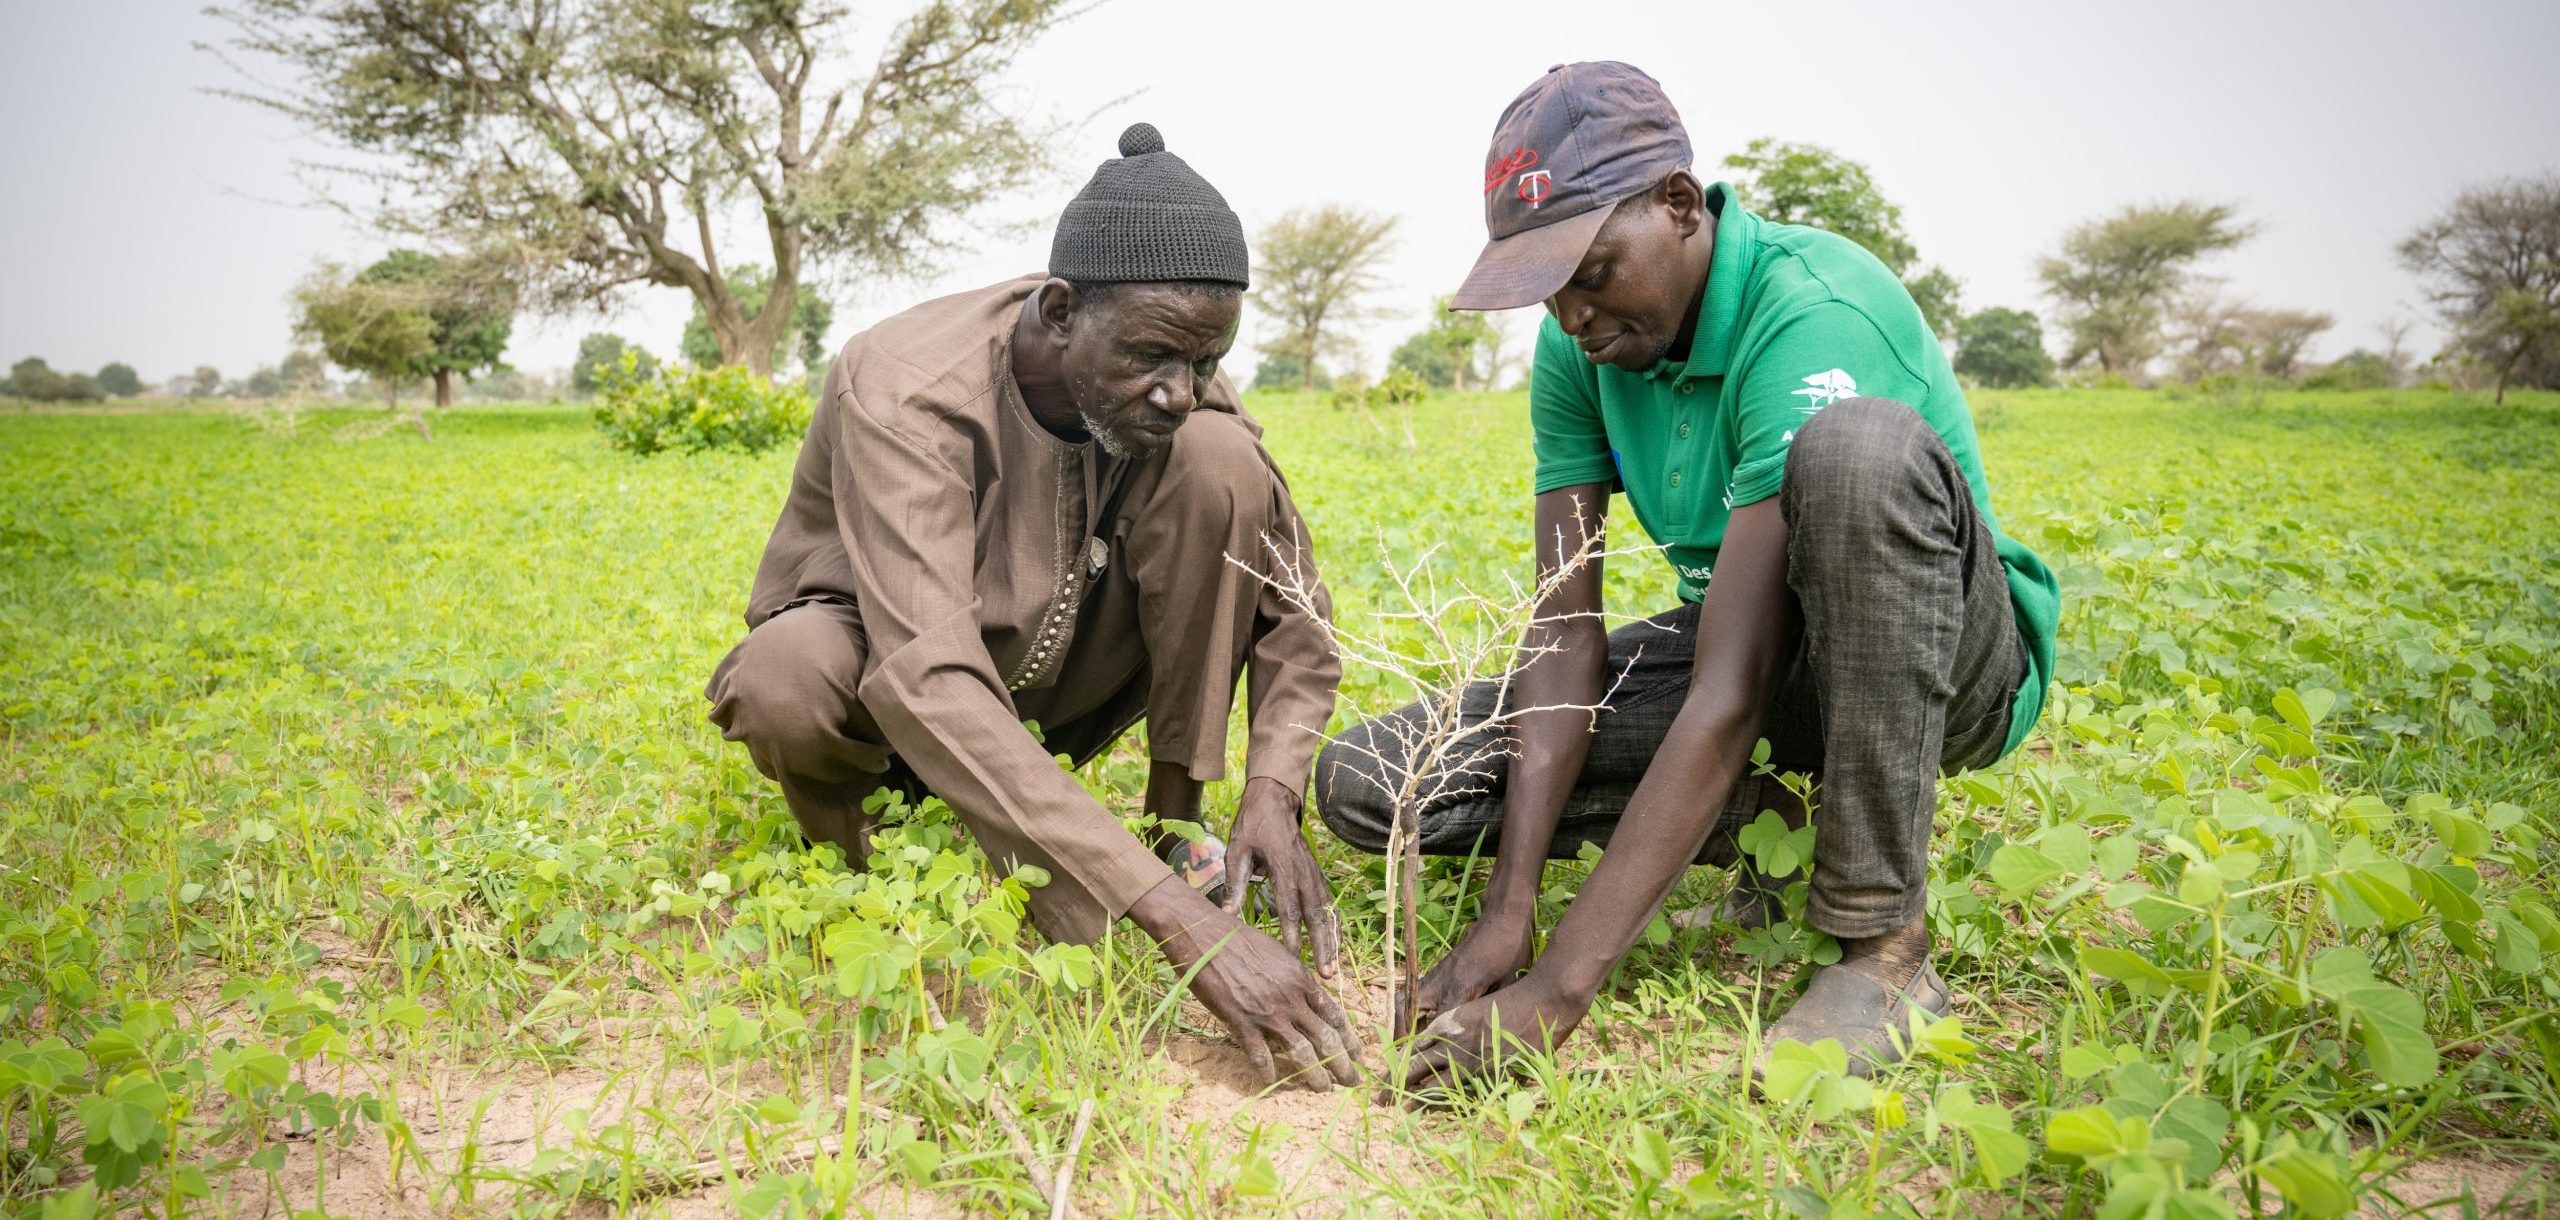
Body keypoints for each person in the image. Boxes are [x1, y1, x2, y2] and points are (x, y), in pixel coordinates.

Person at [1313, 63, 2060, 1091]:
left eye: (1590, 269)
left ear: (1677, 206)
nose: (1571, 313)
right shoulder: (1579, 349)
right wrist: (1508, 911)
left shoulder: (1812, 309)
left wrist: (1559, 989)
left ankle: (1880, 951)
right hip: (1751, 651)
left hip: (1941, 657)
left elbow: (1730, 684)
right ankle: (1767, 825)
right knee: (1380, 779)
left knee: (1855, 453)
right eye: (1548, 286)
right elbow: (1561, 631)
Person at [706, 124, 1358, 1089]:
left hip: (1058, 679)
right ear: (1058, 311)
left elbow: (1291, 603)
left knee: (1223, 467)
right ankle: (877, 870)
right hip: (892, 683)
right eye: (1153, 358)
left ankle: (1173, 829)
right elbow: (926, 671)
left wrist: (1274, 791)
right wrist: (1183, 927)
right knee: (783, 678)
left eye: (1206, 362)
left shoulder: (1179, 380)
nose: (1179, 392)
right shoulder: (905, 388)